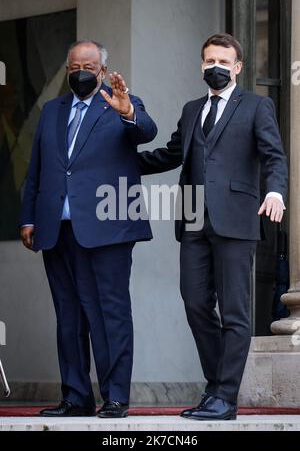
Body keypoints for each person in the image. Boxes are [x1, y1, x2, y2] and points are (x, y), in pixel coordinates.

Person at [138, 33, 288, 421]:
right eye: (209, 61)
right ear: (201, 65)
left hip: (237, 220)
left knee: (235, 312)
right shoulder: (191, 110)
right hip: (193, 221)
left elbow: (274, 156)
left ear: (237, 67)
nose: (215, 68)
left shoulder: (257, 105)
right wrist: (118, 161)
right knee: (195, 303)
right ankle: (217, 387)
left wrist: (275, 193)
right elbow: (172, 154)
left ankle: (224, 396)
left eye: (223, 61)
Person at [20, 40, 157, 418]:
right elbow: (38, 169)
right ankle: (76, 396)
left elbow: (146, 131)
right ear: (68, 70)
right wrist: (28, 217)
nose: (81, 72)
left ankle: (115, 397)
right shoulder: (51, 111)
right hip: (57, 231)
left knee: (109, 314)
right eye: (74, 66)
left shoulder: (120, 103)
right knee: (69, 316)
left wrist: (126, 109)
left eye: (89, 66)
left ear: (101, 70)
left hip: (108, 230)